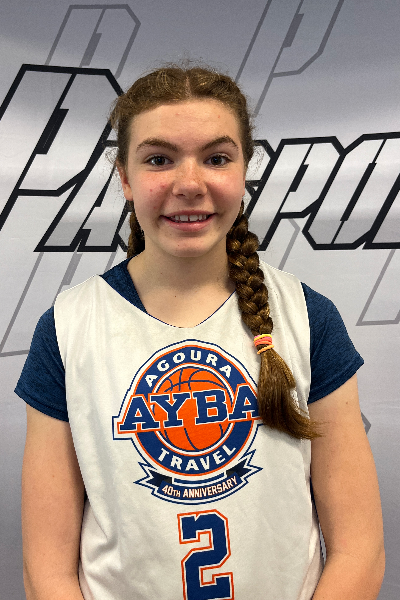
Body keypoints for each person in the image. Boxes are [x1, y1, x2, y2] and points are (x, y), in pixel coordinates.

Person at [17, 65, 385, 600]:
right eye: (159, 159)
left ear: (244, 171)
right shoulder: (67, 327)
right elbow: (46, 573)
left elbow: (359, 550)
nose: (189, 185)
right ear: (124, 177)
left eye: (216, 158)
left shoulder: (308, 318)